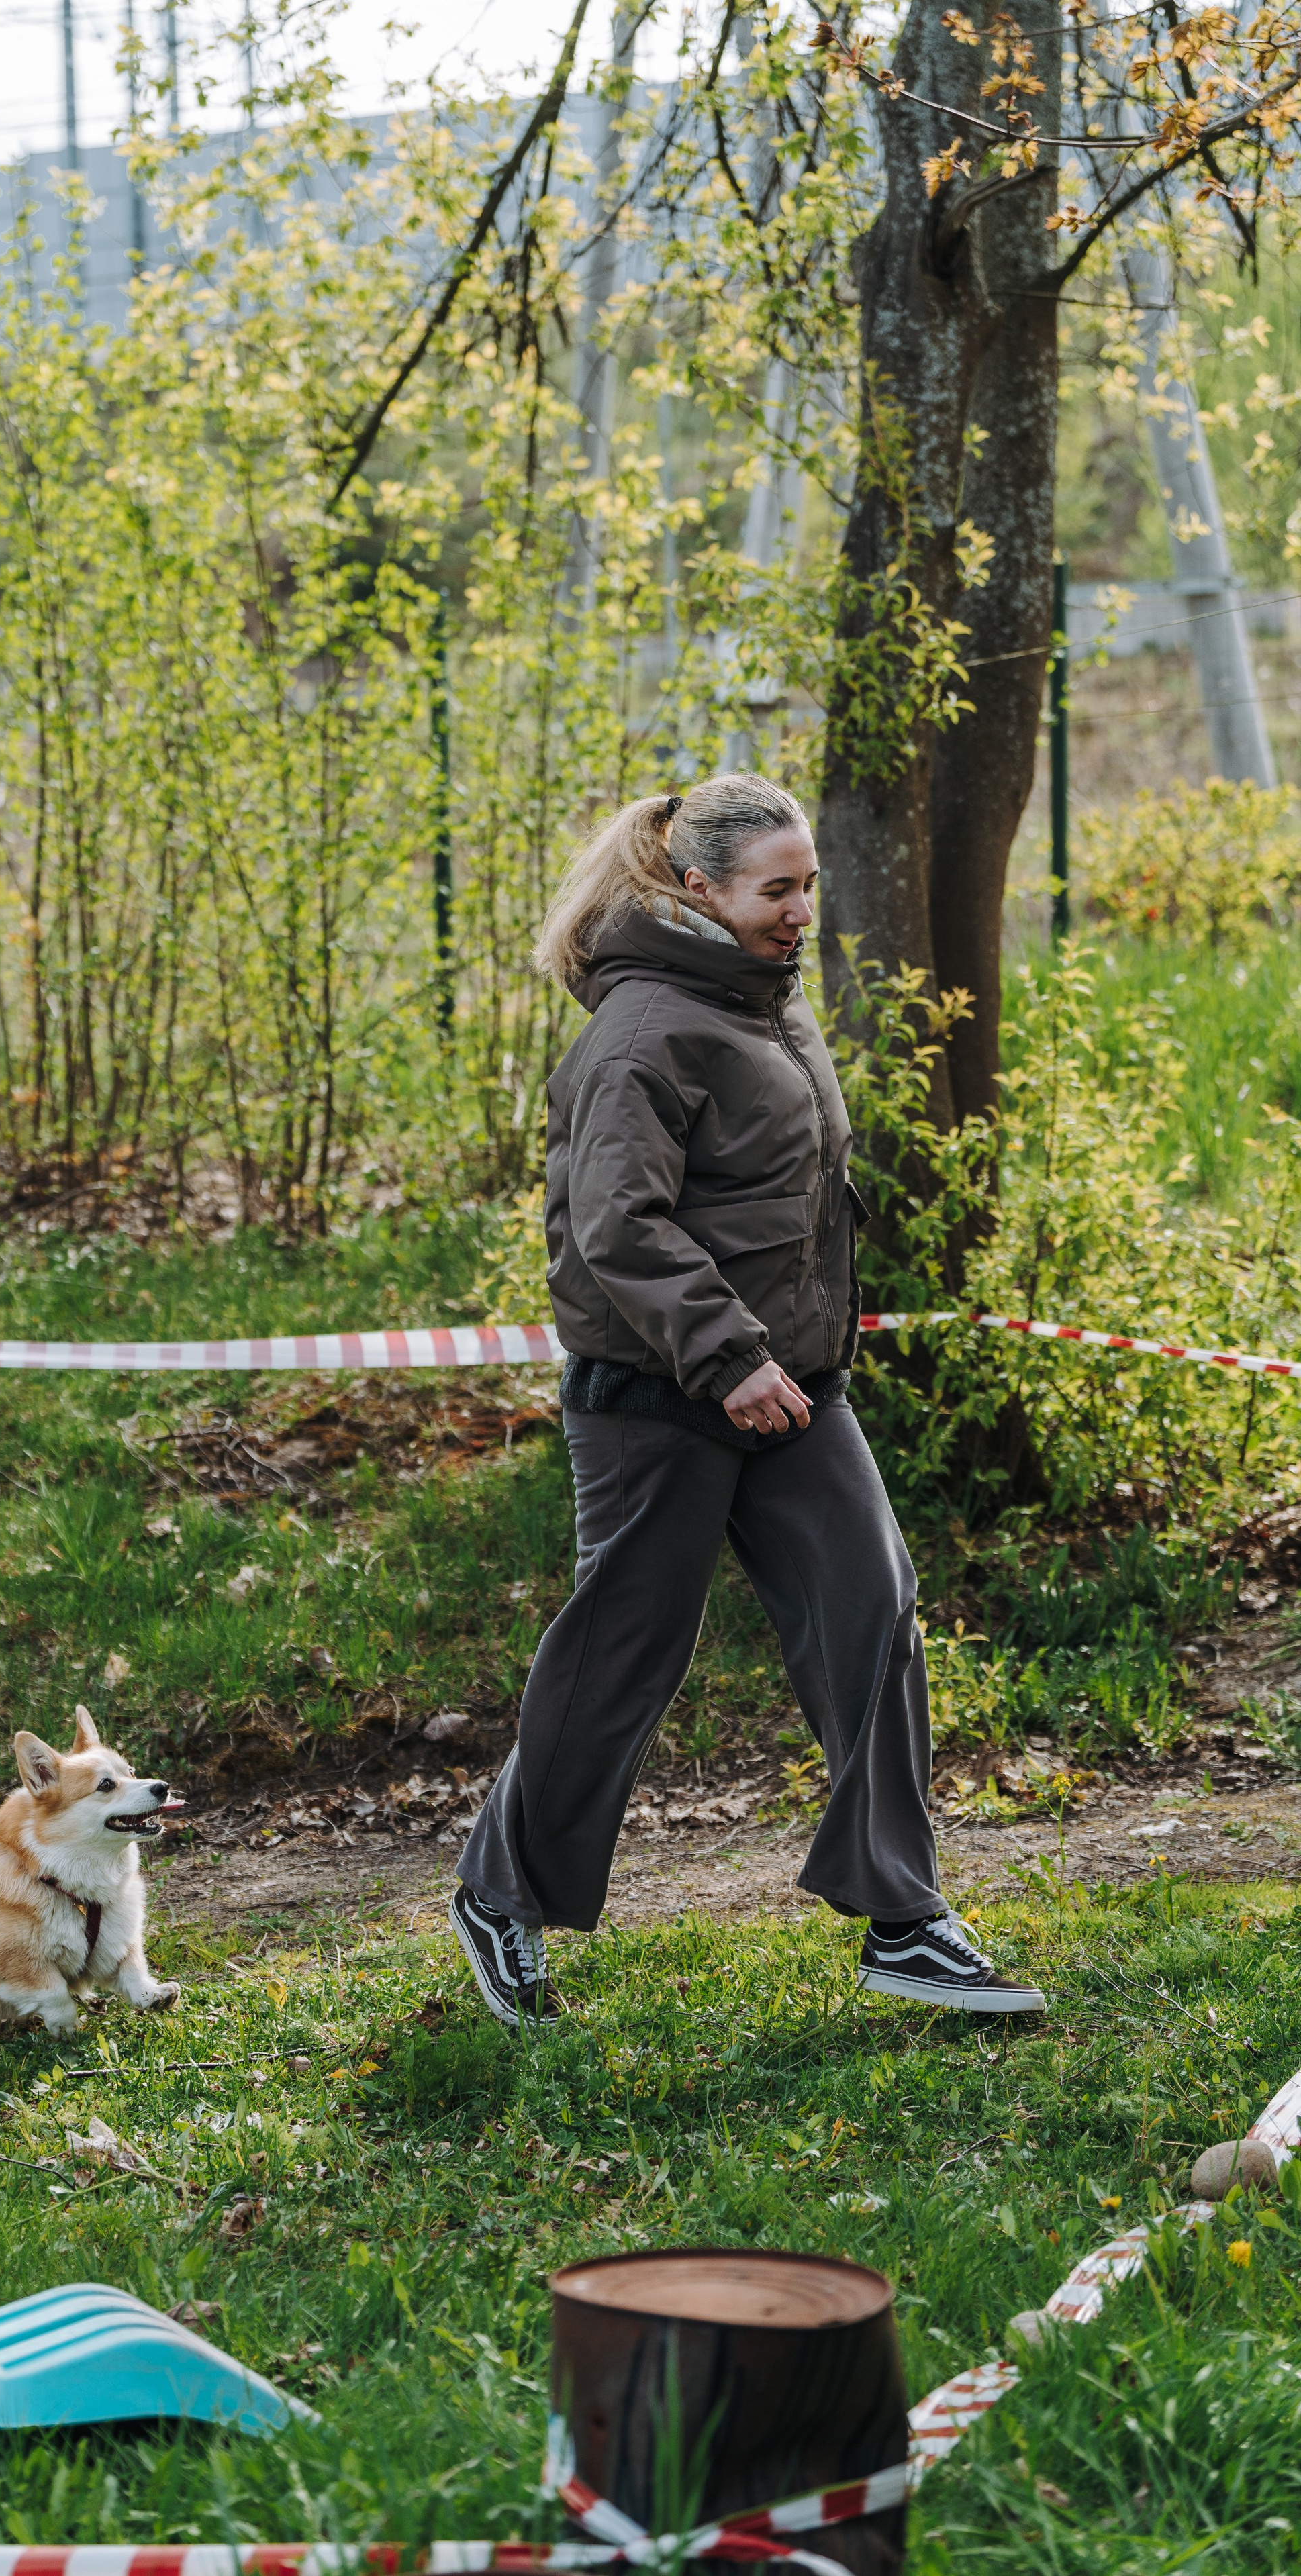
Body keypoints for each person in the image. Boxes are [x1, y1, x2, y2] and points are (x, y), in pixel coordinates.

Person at [450, 774, 1044, 2025]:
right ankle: (500, 1890)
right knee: (625, 1653)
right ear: (697, 888)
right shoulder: (644, 1031)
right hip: (662, 1391)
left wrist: (804, 1340)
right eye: (778, 889)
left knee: (870, 1603)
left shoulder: (762, 1002)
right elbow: (617, 1224)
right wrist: (728, 1354)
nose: (801, 910)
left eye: (808, 883)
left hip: (791, 1386)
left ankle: (902, 1916)